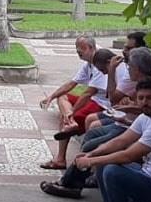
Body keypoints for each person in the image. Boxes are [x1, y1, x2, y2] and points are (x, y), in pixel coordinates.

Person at [40, 47, 151, 199]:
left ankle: (74, 185)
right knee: (94, 138)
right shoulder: (148, 85)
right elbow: (128, 129)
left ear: (135, 68)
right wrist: (92, 155)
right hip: (131, 126)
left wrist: (91, 158)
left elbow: (127, 153)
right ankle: (76, 184)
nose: (123, 54)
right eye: (141, 98)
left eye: (129, 64)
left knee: (106, 162)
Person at [38, 36, 110, 169]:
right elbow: (72, 83)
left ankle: (70, 124)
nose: (78, 53)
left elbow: (89, 93)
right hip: (93, 100)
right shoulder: (87, 64)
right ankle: (70, 124)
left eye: (80, 50)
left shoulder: (101, 62)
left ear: (90, 48)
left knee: (68, 116)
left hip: (101, 104)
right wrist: (51, 97)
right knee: (63, 97)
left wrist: (72, 112)